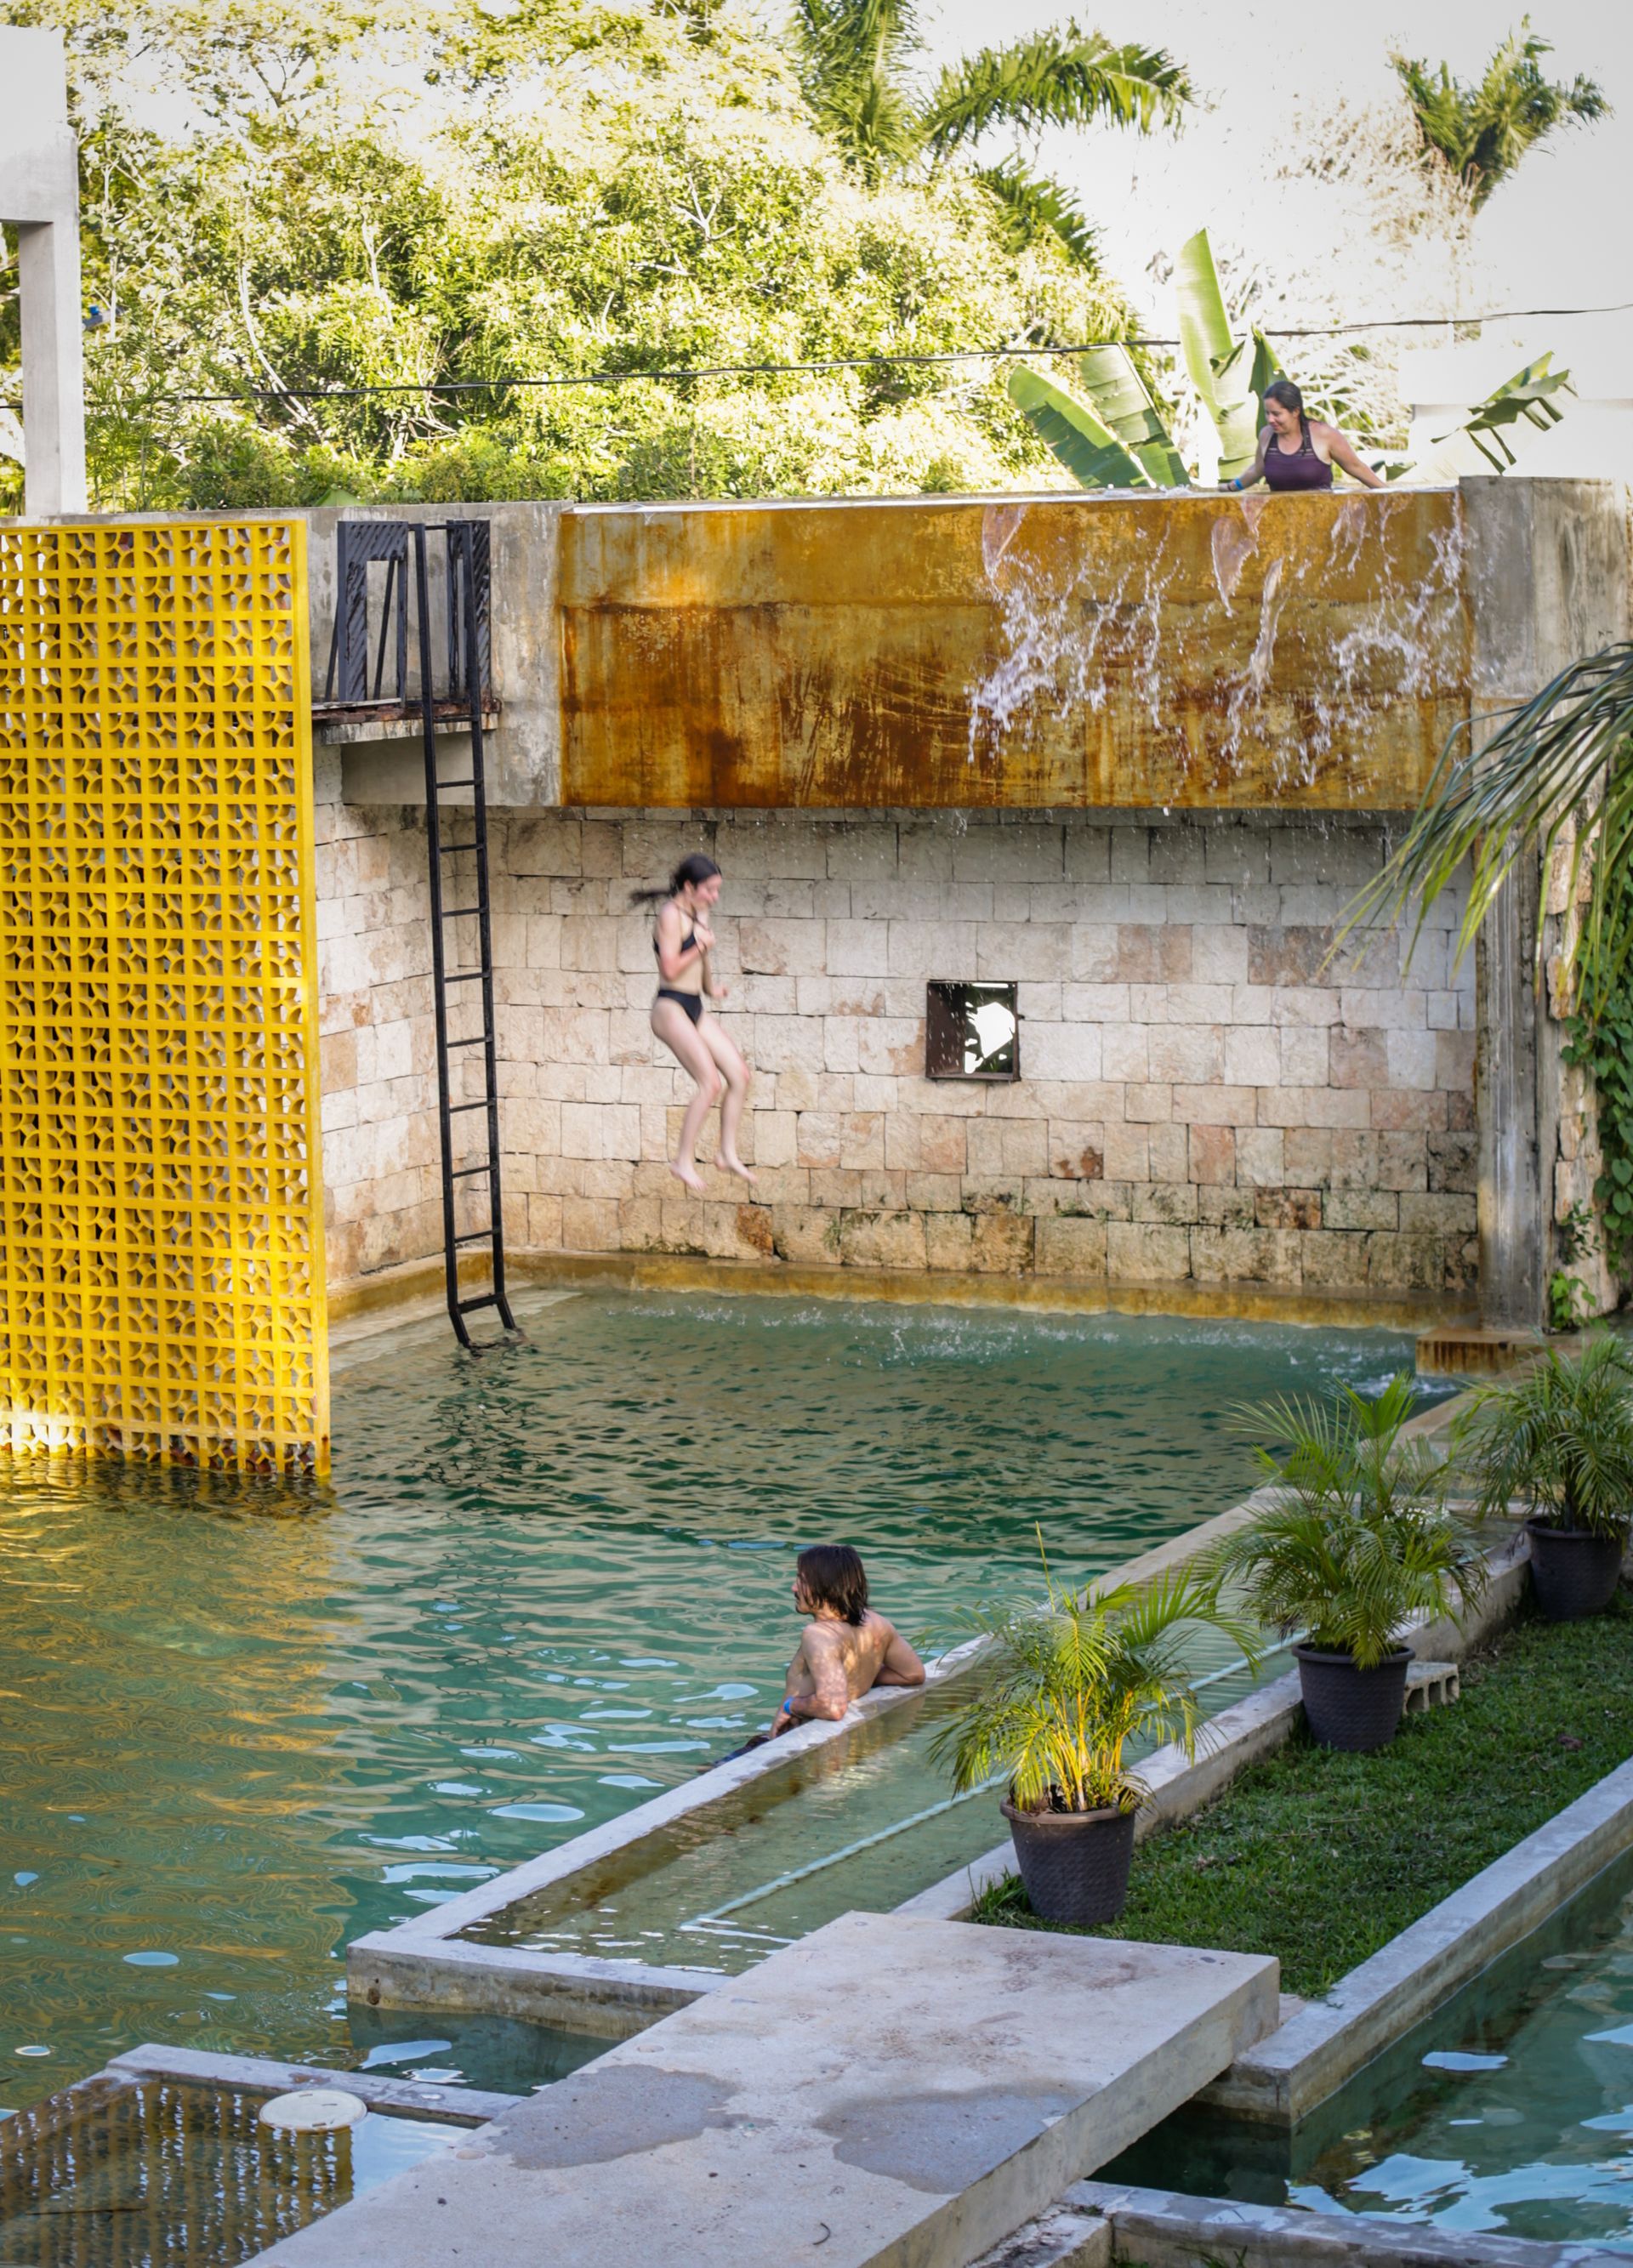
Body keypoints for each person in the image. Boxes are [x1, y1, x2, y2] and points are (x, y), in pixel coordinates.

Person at [629, 853, 754, 1195]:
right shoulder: (671, 915)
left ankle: (726, 1152)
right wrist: (700, 945)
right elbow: (670, 968)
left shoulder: (698, 911)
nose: (714, 897)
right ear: (689, 887)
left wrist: (710, 988)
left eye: (717, 890)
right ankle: (682, 1160)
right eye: (709, 890)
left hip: (694, 1005)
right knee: (710, 1083)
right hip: (670, 1007)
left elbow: (703, 955)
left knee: (740, 1076)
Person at [769, 1545, 925, 1735]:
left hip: (798, 1738)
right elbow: (913, 1674)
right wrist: (865, 1672)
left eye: (801, 1581)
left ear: (824, 1585)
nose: (793, 1588)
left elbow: (833, 1708)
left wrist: (791, 1706)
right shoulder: (878, 1623)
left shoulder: (819, 1634)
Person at [1227, 378, 1386, 495]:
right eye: (1267, 413)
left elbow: (1356, 467)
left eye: (1276, 414)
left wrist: (1390, 492)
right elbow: (1257, 469)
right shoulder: (1267, 435)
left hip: (1321, 521)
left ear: (1295, 411)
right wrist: (1232, 487)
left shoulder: (1324, 435)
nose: (1270, 419)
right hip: (1278, 521)